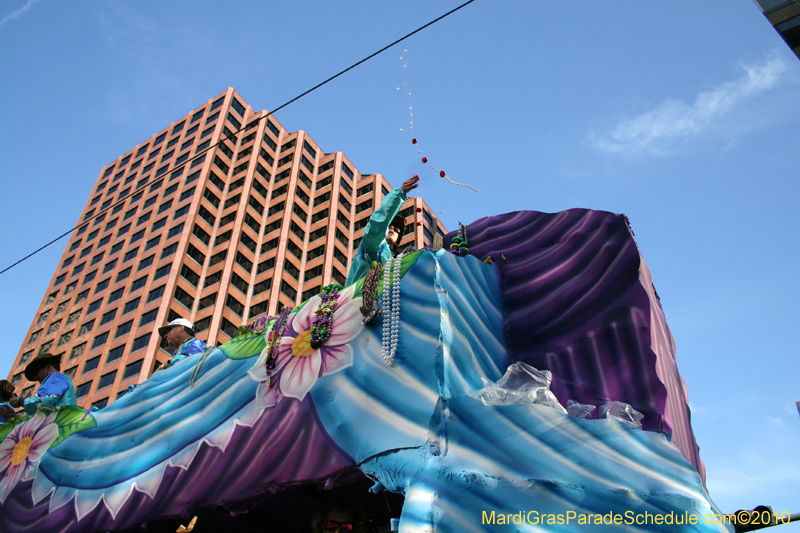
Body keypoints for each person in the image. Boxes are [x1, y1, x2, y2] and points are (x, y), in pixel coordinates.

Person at [345, 175, 419, 286]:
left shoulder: (395, 262)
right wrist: (399, 194)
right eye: (390, 226)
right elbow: (378, 223)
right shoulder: (374, 246)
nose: (392, 228)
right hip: (358, 300)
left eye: (397, 228)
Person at [6, 353, 77, 416]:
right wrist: (15, 416)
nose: (35, 377)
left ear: (48, 367)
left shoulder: (56, 376)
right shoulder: (59, 379)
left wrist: (20, 401)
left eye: (36, 372)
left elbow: (42, 402)